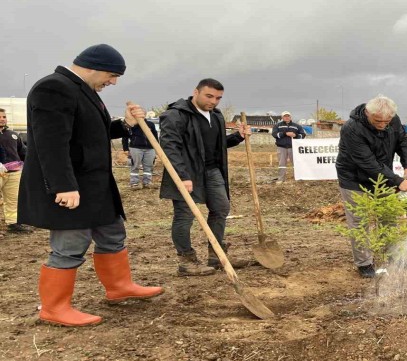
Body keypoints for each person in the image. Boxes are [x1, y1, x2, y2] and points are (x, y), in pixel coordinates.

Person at [18, 44, 164, 327]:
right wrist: (63, 186)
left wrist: (126, 124)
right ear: (92, 66)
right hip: (71, 186)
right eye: (111, 75)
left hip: (96, 186)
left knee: (112, 235)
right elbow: (51, 143)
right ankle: (54, 307)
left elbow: (90, 133)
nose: (113, 82)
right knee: (70, 244)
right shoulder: (53, 88)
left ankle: (119, 287)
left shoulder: (83, 91)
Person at [159, 78, 250, 276]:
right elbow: (169, 148)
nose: (213, 101)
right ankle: (186, 261)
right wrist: (181, 175)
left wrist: (238, 136)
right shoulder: (175, 115)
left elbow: (217, 145)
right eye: (209, 96)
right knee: (185, 215)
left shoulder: (216, 116)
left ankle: (216, 255)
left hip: (212, 171)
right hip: (185, 172)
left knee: (221, 208)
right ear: (196, 92)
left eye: (218, 98)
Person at [335, 95, 407, 278]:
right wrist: (398, 181)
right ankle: (364, 263)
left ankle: (392, 256)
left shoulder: (393, 120)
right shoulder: (352, 128)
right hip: (354, 178)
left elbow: (402, 142)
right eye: (378, 121)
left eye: (386, 121)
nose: (382, 125)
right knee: (359, 221)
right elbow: (368, 163)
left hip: (383, 177)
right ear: (367, 113)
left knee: (388, 217)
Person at [0, 108, 32, 233]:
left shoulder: (13, 134)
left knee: (13, 199)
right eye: (0, 117)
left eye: (4, 116)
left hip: (14, 173)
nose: (2, 119)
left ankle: (13, 223)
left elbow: (23, 151)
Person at [121, 118, 158, 189]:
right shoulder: (132, 124)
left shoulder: (150, 124)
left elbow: (155, 136)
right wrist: (125, 148)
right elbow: (125, 136)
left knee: (149, 166)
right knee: (135, 165)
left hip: (150, 149)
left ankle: (147, 182)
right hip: (135, 148)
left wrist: (157, 147)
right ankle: (134, 183)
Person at [271, 111, 306, 183]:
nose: (287, 117)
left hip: (293, 147)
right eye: (285, 116)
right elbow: (274, 134)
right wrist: (285, 133)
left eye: (288, 116)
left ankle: (298, 178)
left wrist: (295, 135)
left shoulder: (296, 126)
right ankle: (281, 179)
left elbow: (303, 135)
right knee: (282, 164)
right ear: (282, 117)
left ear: (290, 117)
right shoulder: (277, 125)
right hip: (281, 147)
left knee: (296, 163)